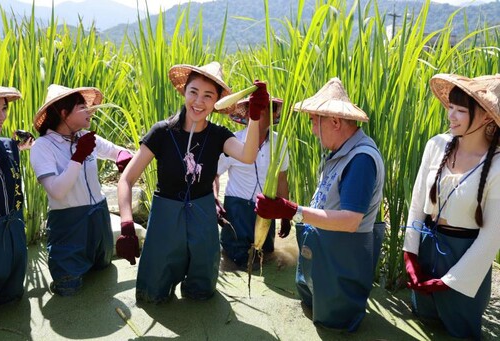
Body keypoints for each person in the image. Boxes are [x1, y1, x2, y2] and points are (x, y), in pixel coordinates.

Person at [116, 61, 268, 303]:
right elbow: (127, 179)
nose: (199, 101)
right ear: (184, 92)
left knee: (203, 285)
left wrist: (255, 116)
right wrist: (126, 225)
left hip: (203, 213)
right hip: (165, 216)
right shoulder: (162, 133)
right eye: (194, 92)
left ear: (217, 101)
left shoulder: (218, 135)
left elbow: (248, 156)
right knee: (154, 291)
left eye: (208, 96)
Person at [255, 77, 385, 331]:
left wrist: (292, 211)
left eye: (315, 121)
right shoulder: (340, 151)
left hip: (342, 258)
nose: (313, 130)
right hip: (323, 255)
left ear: (335, 122)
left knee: (337, 322)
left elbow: (350, 221)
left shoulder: (360, 160)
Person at [403, 73, 500, 340]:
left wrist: (450, 281)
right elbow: (417, 204)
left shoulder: (497, 166)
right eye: (450, 108)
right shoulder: (436, 145)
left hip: (465, 256)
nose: (451, 117)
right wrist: (410, 253)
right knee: (425, 324)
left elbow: (491, 238)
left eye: (461, 111)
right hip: (427, 249)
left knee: (460, 330)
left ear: (487, 117)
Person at [30, 84, 133, 296]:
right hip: (69, 224)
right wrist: (77, 157)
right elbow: (56, 191)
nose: (90, 111)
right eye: (82, 106)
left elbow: (116, 151)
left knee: (103, 269)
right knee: (68, 287)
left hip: (98, 218)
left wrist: (124, 157)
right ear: (64, 113)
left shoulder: (84, 137)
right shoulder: (43, 147)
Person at [215, 96, 290, 269]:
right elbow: (215, 174)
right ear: (248, 114)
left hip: (266, 210)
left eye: (265, 108)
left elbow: (281, 179)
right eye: (255, 109)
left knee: (267, 257)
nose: (259, 113)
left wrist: (286, 216)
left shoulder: (279, 142)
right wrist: (216, 201)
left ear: (273, 114)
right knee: (234, 258)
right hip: (236, 210)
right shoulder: (233, 142)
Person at [0, 81, 29, 310]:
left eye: (4, 108)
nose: (0, 116)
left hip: (13, 234)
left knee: (14, 300)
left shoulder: (7, 146)